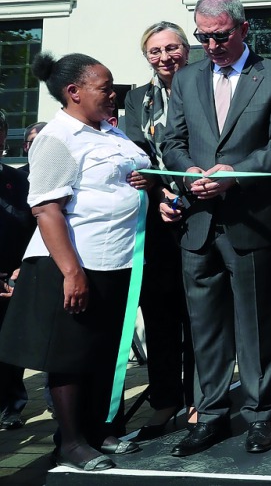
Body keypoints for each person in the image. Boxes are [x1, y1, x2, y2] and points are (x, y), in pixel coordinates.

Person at [160, 0, 271, 457]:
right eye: (203, 37)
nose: (211, 45)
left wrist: (232, 176)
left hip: (249, 220)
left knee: (255, 325)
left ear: (243, 29)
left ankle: (260, 414)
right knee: (205, 327)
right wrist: (192, 177)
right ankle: (212, 413)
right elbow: (173, 142)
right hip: (198, 221)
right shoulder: (187, 78)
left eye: (220, 36)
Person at [0, 53, 150, 471]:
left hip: (117, 260)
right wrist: (71, 272)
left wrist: (144, 178)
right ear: (74, 92)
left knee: (104, 351)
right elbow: (47, 210)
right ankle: (70, 441)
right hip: (73, 263)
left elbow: (132, 171)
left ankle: (101, 430)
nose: (113, 95)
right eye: (105, 88)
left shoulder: (109, 133)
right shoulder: (57, 138)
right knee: (70, 356)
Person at [122, 22, 195, 440]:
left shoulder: (206, 85)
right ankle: (165, 398)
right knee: (161, 314)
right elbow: (135, 148)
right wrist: (160, 190)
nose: (165, 56)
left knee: (199, 317)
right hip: (154, 217)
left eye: (172, 48)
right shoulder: (137, 98)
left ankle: (198, 399)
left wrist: (181, 191)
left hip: (200, 209)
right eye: (155, 50)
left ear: (187, 50)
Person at [0, 110, 35, 431]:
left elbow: (34, 228)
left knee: (9, 344)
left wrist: (21, 269)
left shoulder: (18, 181)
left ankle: (11, 406)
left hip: (11, 277)